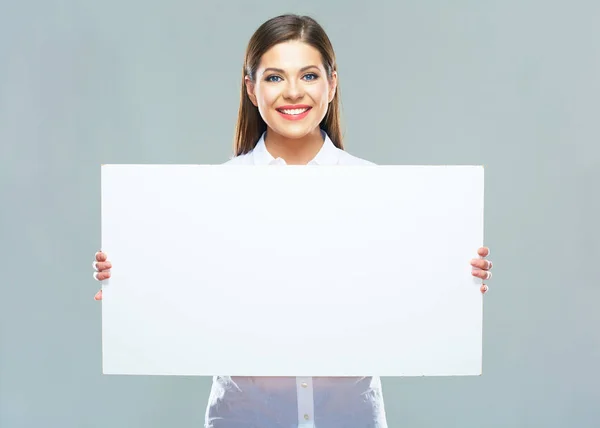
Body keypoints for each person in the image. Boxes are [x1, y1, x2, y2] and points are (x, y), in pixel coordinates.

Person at [91, 13, 494, 428]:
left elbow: (410, 291)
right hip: (243, 416)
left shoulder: (375, 189)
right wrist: (127, 282)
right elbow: (179, 289)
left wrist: (459, 280)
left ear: (332, 83)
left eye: (308, 75)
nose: (293, 92)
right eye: (274, 78)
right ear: (251, 88)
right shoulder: (215, 194)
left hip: (351, 417)